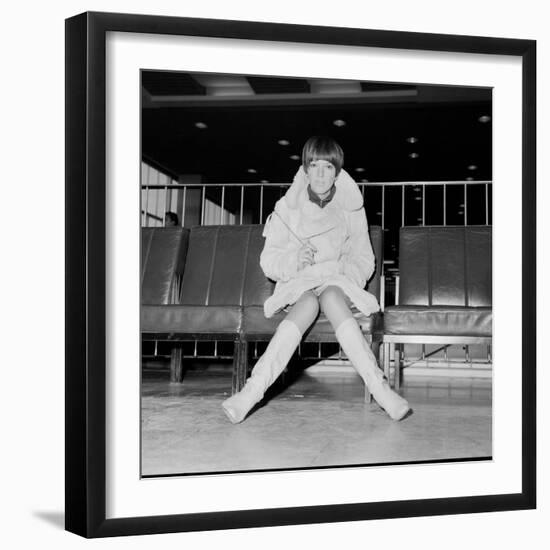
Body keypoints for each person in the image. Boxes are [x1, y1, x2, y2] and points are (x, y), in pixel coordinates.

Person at [222, 136, 410, 423]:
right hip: (299, 285)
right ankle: (252, 391)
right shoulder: (287, 209)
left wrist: (341, 271)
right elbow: (268, 261)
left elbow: (364, 260)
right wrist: (294, 261)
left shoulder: (352, 209)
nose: (321, 174)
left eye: (328, 167)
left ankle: (381, 390)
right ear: (305, 170)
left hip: (338, 283)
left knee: (331, 295)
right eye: (314, 166)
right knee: (309, 302)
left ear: (337, 171)